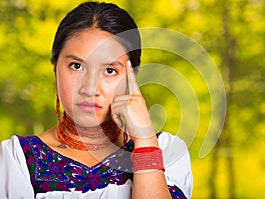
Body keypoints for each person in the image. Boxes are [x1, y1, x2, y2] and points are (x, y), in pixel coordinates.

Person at [0, 1, 193, 198]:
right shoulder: (18, 158)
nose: (90, 88)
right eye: (76, 66)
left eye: (109, 70)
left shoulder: (168, 150)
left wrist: (144, 139)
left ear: (132, 77)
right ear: (55, 67)